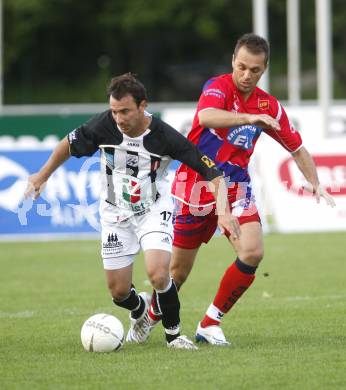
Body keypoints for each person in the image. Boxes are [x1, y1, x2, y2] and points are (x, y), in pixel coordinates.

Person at [25, 73, 240, 350]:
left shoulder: (164, 135)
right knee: (118, 292)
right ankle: (140, 308)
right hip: (115, 214)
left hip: (153, 210)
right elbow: (68, 143)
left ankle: (174, 336)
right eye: (115, 111)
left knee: (159, 274)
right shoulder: (104, 125)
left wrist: (223, 212)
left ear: (142, 106)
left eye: (125, 111)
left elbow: (212, 172)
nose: (119, 119)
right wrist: (42, 175)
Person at [148, 33, 336, 345]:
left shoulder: (269, 106)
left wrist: (315, 183)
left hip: (236, 188)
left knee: (252, 251)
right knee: (177, 274)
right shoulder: (217, 87)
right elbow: (206, 117)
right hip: (198, 183)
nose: (247, 75)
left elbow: (297, 148)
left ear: (264, 70)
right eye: (242, 67)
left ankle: (210, 322)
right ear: (233, 62)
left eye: (255, 70)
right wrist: (249, 117)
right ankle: (150, 314)